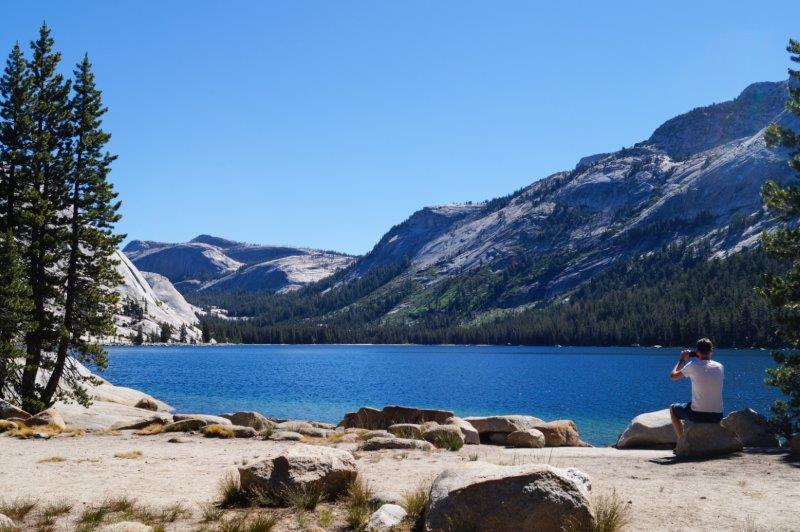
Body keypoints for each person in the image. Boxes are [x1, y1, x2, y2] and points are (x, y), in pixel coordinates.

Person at [668, 337, 724, 439]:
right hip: (717, 416)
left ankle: (682, 442)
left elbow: (673, 376)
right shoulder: (720, 366)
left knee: (673, 409)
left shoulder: (692, 365)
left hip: (698, 415)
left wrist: (682, 360)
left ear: (697, 352)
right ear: (711, 351)